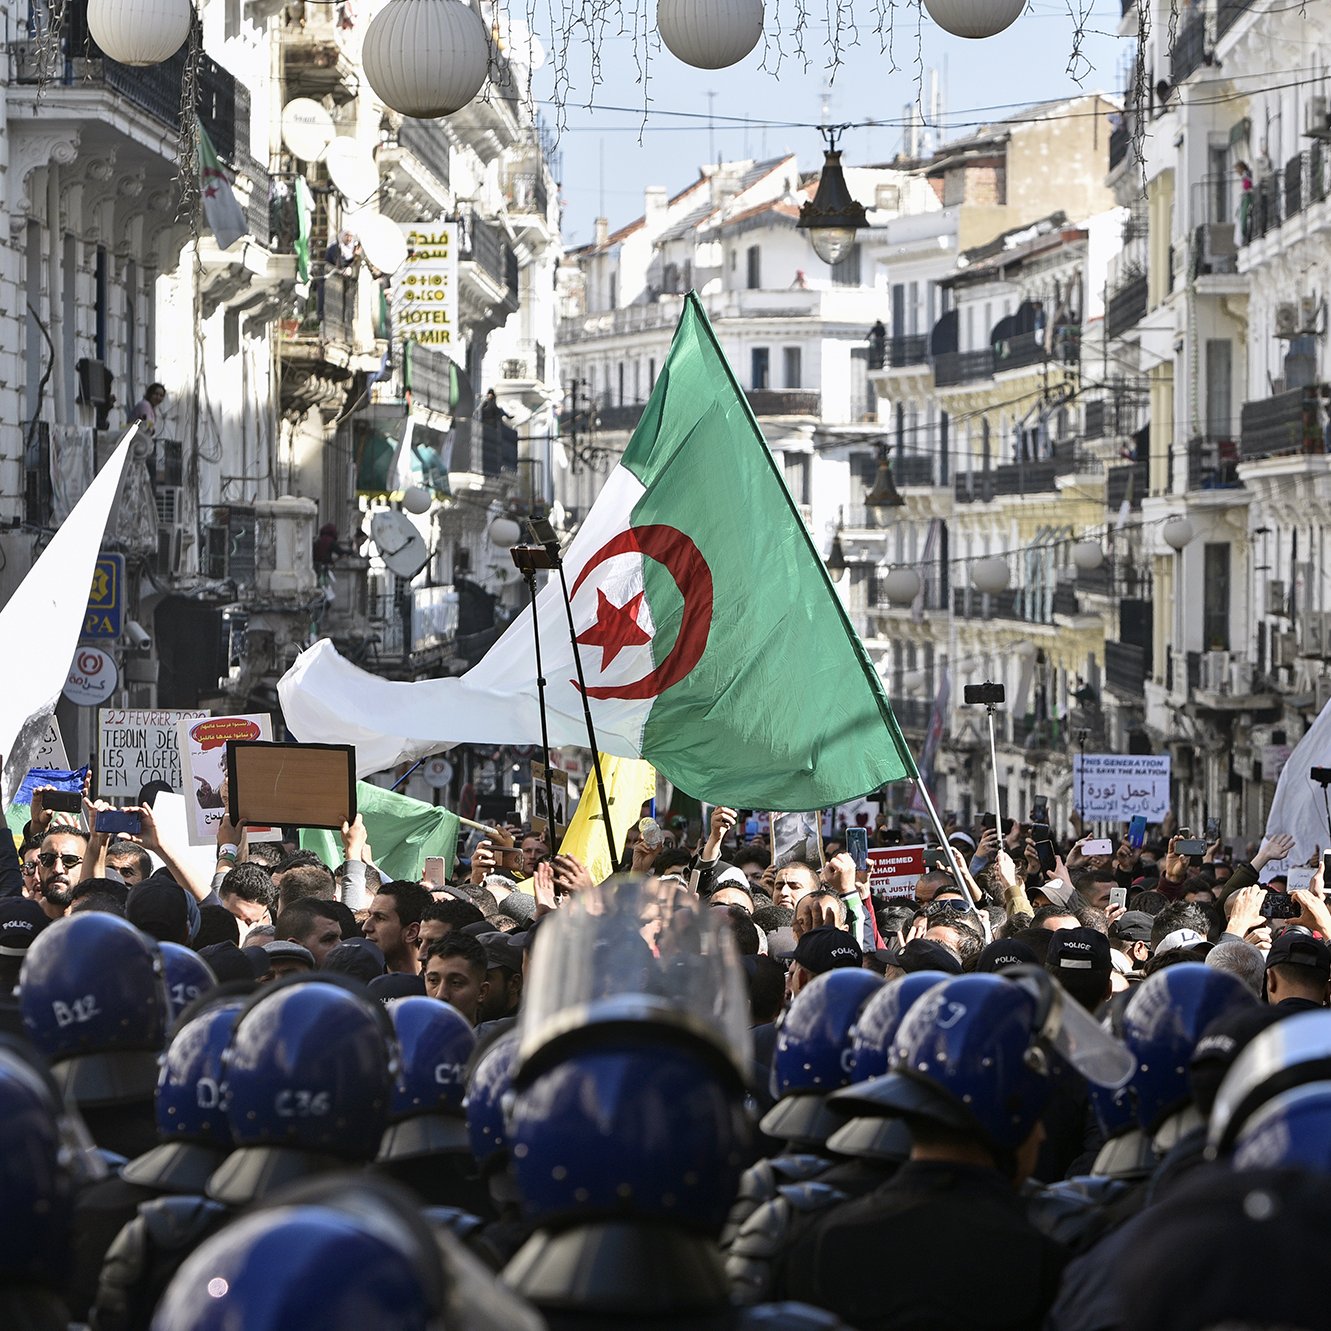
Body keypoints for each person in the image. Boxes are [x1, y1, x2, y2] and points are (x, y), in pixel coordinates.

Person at [780, 973, 1079, 1328]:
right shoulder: (1046, 1261)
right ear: (1011, 1111)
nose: (1041, 1135)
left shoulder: (817, 1241)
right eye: (1036, 1116)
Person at [362, 880, 432, 975]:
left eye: (380, 918)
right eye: (369, 916)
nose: (366, 927)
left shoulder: (437, 987)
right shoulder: (363, 983)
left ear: (411, 932)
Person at [422, 933, 490, 1024]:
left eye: (456, 983)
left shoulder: (499, 1037)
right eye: (433, 980)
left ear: (482, 992)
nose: (440, 995)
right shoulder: (405, 1036)